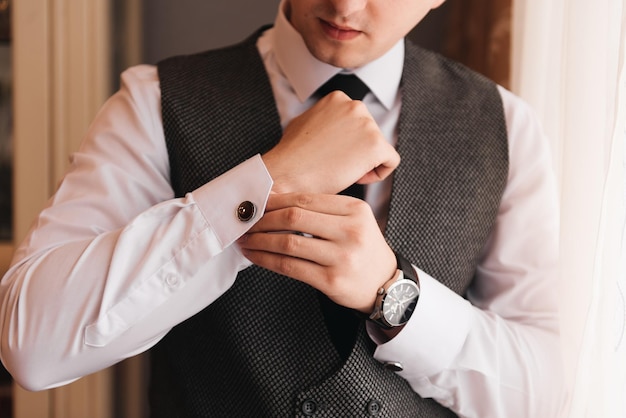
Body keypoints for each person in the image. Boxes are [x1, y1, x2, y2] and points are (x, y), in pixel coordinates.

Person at [0, 0, 565, 416]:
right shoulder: (153, 103)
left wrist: (395, 297)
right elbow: (32, 347)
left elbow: (546, 389)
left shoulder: (507, 128)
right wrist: (268, 180)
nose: (345, 5)